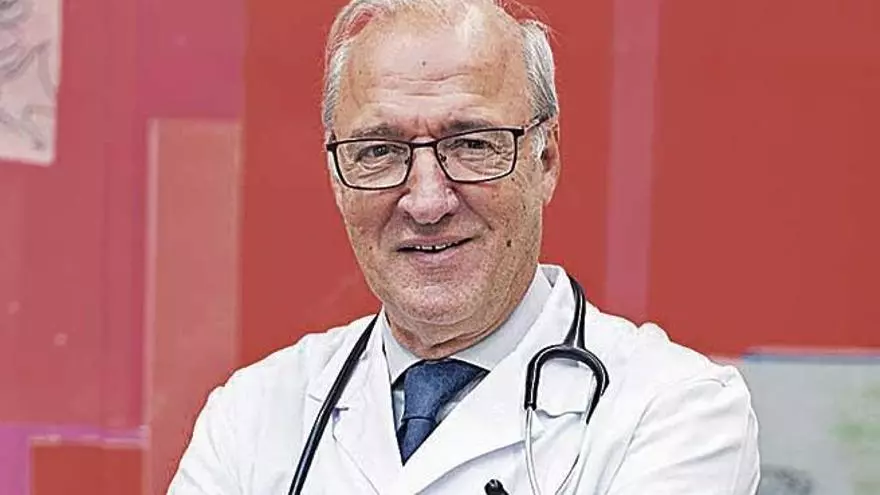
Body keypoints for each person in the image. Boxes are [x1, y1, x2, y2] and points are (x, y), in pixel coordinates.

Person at [168, 0, 760, 493]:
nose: (427, 202)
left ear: (545, 159)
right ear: (337, 179)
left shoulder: (677, 411)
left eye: (473, 144)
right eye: (379, 151)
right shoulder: (251, 416)